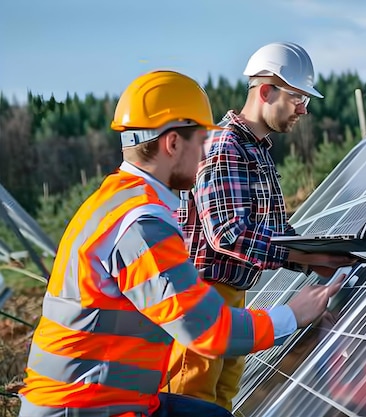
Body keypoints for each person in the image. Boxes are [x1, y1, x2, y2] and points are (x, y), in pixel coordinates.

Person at [18, 69, 346, 417]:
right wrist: (292, 316)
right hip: (84, 408)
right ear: (173, 143)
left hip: (110, 400)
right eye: (202, 141)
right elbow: (207, 330)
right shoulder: (140, 225)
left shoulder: (118, 201)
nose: (207, 153)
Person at [163, 42, 358, 410]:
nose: (303, 109)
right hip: (202, 296)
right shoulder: (224, 145)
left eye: (307, 100)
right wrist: (298, 253)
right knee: (192, 402)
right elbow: (228, 233)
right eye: (298, 97)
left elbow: (270, 231)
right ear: (266, 91)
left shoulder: (256, 149)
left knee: (219, 402)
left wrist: (311, 259)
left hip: (231, 294)